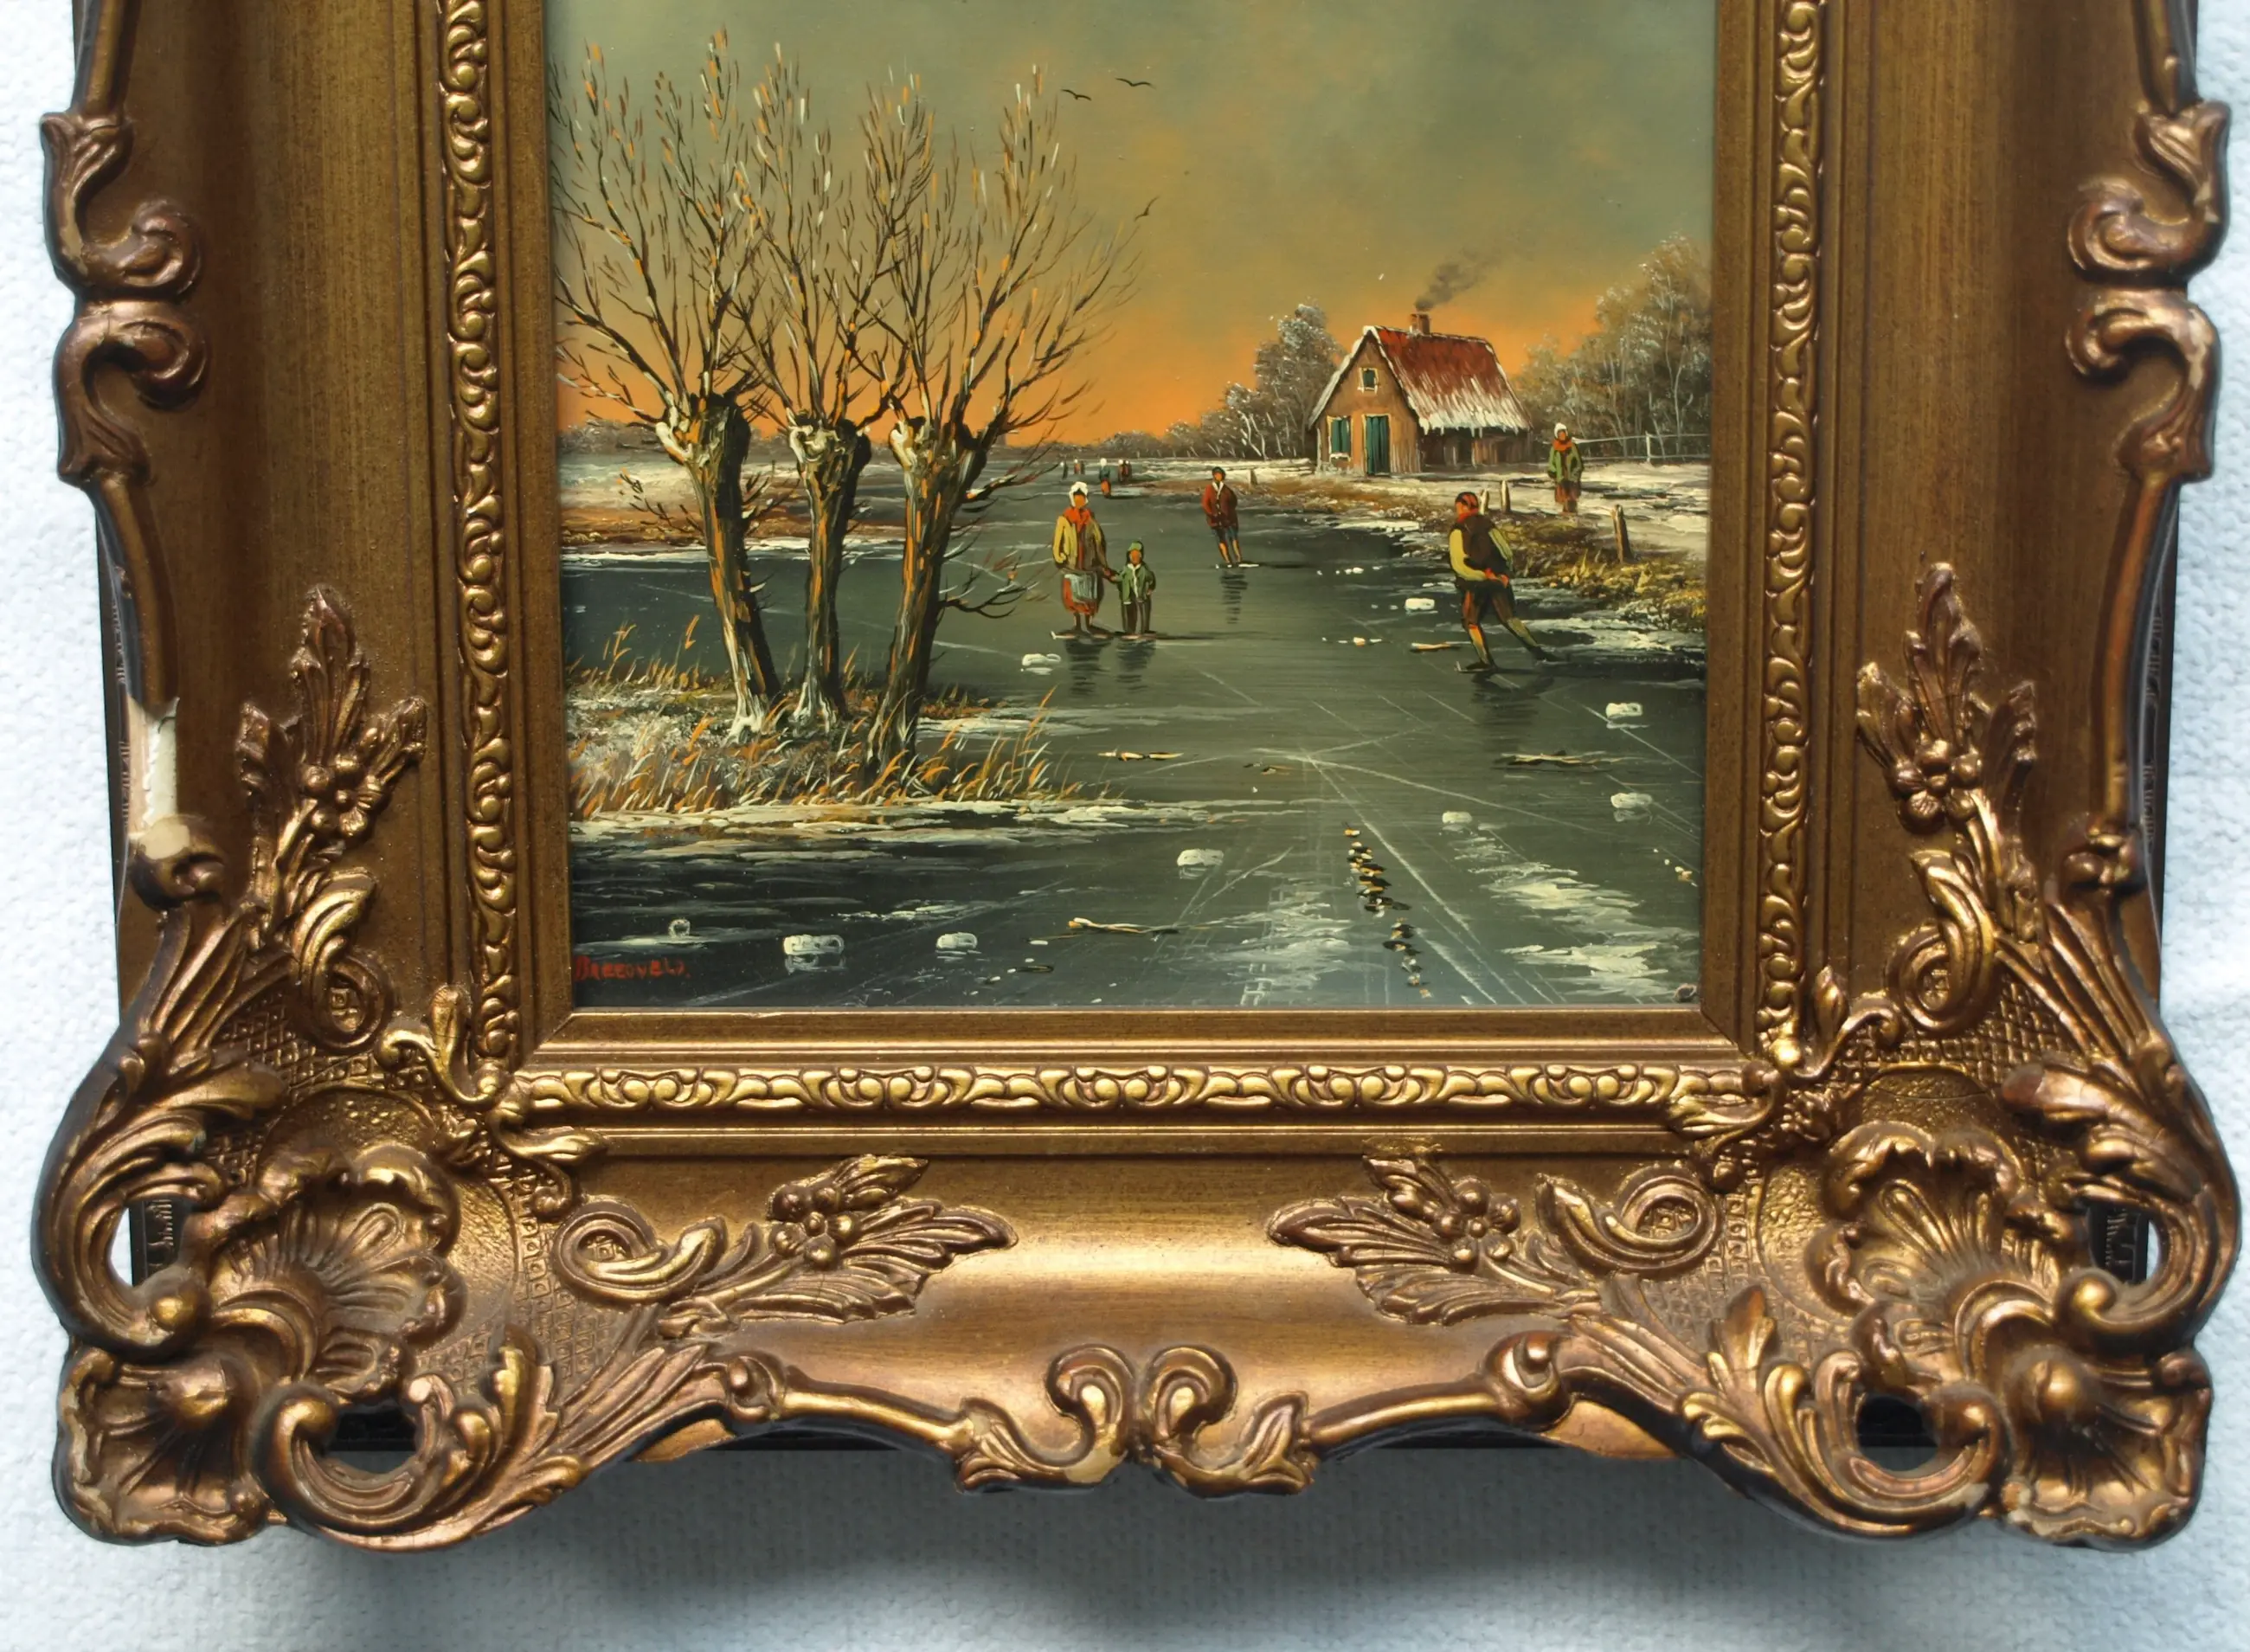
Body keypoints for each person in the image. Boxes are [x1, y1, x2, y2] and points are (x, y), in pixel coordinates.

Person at [1446, 490, 1547, 670]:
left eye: (1458, 507)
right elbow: (1506, 551)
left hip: (1476, 583)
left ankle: (1485, 661)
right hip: (1499, 578)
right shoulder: (1488, 524)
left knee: (1471, 621)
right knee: (1509, 618)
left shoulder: (1458, 529)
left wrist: (1479, 575)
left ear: (1461, 506)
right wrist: (1505, 572)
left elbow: (1458, 562)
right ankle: (1539, 652)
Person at [1051, 480, 1115, 636]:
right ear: (1072, 498)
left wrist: (1103, 563)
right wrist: (1060, 557)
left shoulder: (1090, 519)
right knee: (1072, 595)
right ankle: (1077, 625)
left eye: (1081, 497)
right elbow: (1057, 541)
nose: (1079, 500)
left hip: (1088, 563)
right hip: (1071, 564)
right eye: (1076, 497)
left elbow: (1099, 542)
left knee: (1089, 595)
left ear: (1085, 499)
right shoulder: (1064, 519)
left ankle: (1088, 624)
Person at [1201, 466, 1243, 566]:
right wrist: (1212, 514)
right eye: (1218, 475)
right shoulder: (1209, 489)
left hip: (1228, 519)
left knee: (1233, 538)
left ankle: (1239, 559)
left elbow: (1234, 501)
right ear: (1214, 476)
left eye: (1221, 475)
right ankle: (1228, 561)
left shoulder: (1226, 490)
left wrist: (1229, 512)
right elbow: (1205, 504)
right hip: (1215, 519)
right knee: (1221, 540)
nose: (1221, 477)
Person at [1117, 541, 1156, 637]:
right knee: (1128, 611)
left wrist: (1151, 588)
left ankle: (1145, 629)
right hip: (1128, 595)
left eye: (1137, 555)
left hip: (1142, 594)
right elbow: (1119, 579)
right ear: (1129, 556)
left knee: (1144, 608)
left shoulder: (1144, 569)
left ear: (1141, 556)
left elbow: (1151, 578)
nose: (1135, 558)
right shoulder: (1125, 569)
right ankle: (1129, 630)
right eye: (1133, 555)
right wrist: (1122, 591)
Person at [1548, 422, 1584, 514]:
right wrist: (1554, 472)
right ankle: (1564, 516)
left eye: (1563, 434)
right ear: (1557, 435)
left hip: (1572, 479)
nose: (1562, 436)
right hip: (1561, 478)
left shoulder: (1572, 446)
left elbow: (1579, 463)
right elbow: (1551, 463)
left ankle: (1573, 515)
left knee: (1572, 500)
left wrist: (1575, 475)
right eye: (1560, 434)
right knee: (1563, 500)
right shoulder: (1554, 448)